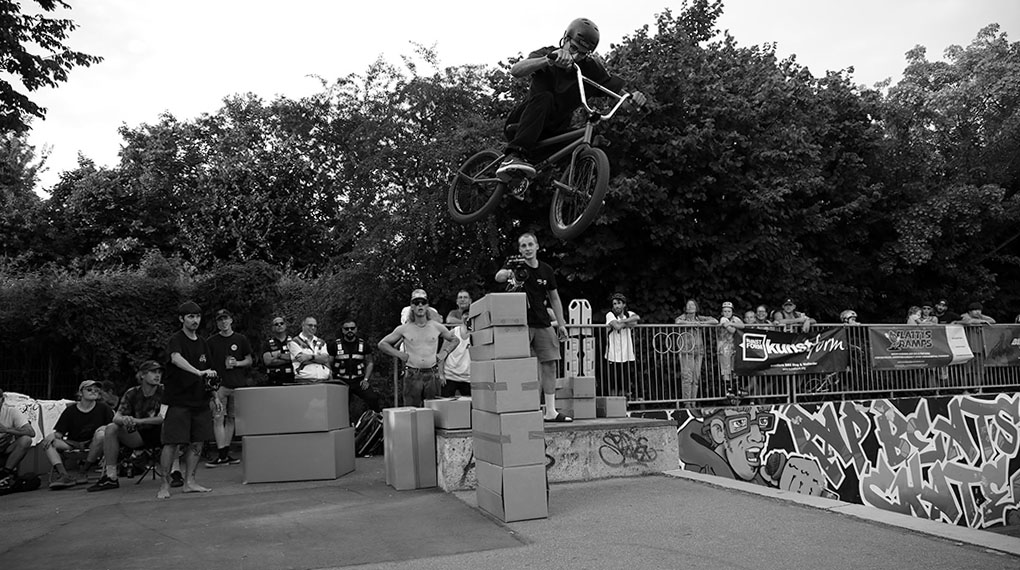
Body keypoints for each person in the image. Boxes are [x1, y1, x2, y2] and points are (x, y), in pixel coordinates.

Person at [495, 18, 646, 179]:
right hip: (521, 125)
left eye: (582, 53)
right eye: (573, 48)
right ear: (566, 39)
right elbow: (516, 70)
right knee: (545, 98)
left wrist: (632, 99)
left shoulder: (590, 69)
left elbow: (618, 95)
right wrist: (548, 60)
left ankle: (574, 189)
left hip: (553, 133)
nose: (575, 56)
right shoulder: (549, 53)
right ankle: (512, 156)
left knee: (588, 139)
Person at [495, 233, 572, 422]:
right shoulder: (515, 266)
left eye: (530, 244)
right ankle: (522, 409)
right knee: (518, 366)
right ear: (519, 249)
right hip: (519, 324)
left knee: (550, 364)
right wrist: (508, 274)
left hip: (543, 322)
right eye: (523, 246)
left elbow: (554, 298)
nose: (527, 248)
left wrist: (561, 324)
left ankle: (551, 411)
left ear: (537, 246)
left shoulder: (546, 270)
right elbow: (498, 277)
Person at [88, 360, 182, 492]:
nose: (157, 375)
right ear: (142, 375)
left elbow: (162, 418)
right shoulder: (132, 392)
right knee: (111, 428)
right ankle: (111, 476)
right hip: (139, 435)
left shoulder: (165, 391)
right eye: (153, 372)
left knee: (173, 426)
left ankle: (175, 472)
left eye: (159, 372)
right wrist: (125, 419)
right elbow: (116, 417)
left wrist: (138, 421)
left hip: (162, 431)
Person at [158, 300, 219, 500]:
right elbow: (176, 359)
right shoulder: (176, 340)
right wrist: (197, 372)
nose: (195, 320)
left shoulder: (202, 342)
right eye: (190, 316)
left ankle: (189, 482)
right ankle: (164, 484)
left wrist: (215, 395)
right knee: (172, 443)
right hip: (178, 401)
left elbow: (210, 372)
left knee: (197, 443)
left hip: (200, 401)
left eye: (197, 316)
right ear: (181, 319)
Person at [379, 290, 460, 407]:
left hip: (432, 374)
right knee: (412, 412)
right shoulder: (404, 329)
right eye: (416, 303)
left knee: (434, 413)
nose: (420, 305)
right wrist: (398, 354)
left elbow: (455, 340)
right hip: (412, 375)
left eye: (423, 302)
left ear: (427, 306)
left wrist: (444, 353)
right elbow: (382, 344)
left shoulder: (436, 326)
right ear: (412, 306)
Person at [42, 380, 114, 489]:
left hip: (93, 442)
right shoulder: (70, 411)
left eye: (97, 390)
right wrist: (53, 435)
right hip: (73, 442)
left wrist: (105, 427)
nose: (93, 392)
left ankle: (84, 470)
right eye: (89, 390)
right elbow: (60, 432)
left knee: (101, 435)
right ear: (80, 393)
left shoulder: (104, 408)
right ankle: (64, 475)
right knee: (49, 442)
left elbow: (113, 427)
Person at [205, 309, 253, 467]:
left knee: (232, 419)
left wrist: (237, 363)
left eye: (225, 319)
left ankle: (225, 453)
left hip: (237, 385)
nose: (223, 322)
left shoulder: (240, 339)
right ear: (217, 323)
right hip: (220, 386)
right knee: (218, 418)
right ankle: (221, 453)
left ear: (231, 320)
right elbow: (208, 367)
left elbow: (249, 359)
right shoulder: (211, 342)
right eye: (220, 320)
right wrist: (212, 388)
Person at [327, 319, 383, 413]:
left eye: (352, 328)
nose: (350, 331)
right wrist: (331, 377)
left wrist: (366, 380)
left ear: (356, 329)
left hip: (358, 381)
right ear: (343, 330)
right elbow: (328, 362)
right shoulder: (335, 345)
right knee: (340, 405)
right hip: (341, 381)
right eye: (347, 328)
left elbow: (370, 363)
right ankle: (343, 424)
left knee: (372, 398)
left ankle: (376, 421)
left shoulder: (363, 345)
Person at [674, 300, 718, 405]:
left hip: (699, 351)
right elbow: (678, 322)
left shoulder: (700, 318)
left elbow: (715, 321)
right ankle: (687, 403)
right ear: (685, 308)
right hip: (686, 350)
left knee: (696, 377)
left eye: (693, 304)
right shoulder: (682, 317)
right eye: (688, 305)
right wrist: (693, 324)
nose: (690, 306)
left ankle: (693, 402)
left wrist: (700, 323)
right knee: (687, 377)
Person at [0, 387, 36, 492]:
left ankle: (5, 473)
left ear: (2, 400)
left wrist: (7, 430)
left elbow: (31, 432)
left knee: (26, 440)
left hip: (5, 448)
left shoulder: (11, 411)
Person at [604, 293, 640, 398]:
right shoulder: (610, 314)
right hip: (613, 355)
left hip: (626, 355)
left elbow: (636, 319)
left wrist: (622, 321)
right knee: (613, 384)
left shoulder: (629, 314)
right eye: (614, 304)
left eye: (619, 303)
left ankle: (624, 405)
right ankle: (613, 405)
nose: (616, 306)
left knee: (625, 384)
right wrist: (627, 323)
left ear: (624, 305)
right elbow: (616, 326)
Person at [288, 317, 332, 382]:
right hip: (305, 380)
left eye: (315, 326)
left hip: (323, 380)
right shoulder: (294, 342)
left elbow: (325, 359)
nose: (313, 328)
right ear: (303, 325)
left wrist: (309, 357)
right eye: (310, 325)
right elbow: (302, 359)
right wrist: (320, 359)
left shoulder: (321, 342)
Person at [717, 301, 745, 399]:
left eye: (729, 311)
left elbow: (743, 326)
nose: (727, 313)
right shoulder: (723, 319)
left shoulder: (734, 318)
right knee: (726, 368)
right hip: (723, 346)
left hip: (733, 346)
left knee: (734, 367)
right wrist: (732, 324)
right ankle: (728, 388)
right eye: (725, 311)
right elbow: (732, 330)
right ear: (722, 312)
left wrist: (731, 323)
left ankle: (736, 387)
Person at [440, 317, 472, 397]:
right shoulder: (453, 332)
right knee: (447, 405)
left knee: (469, 406)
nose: (467, 317)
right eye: (465, 315)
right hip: (450, 376)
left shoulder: (477, 334)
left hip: (468, 378)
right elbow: (441, 354)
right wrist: (441, 374)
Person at [262, 316, 294, 386]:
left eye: (281, 323)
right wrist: (288, 359)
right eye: (276, 324)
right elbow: (268, 361)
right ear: (273, 328)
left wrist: (278, 355)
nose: (279, 325)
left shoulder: (294, 341)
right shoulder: (267, 343)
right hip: (274, 379)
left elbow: (296, 358)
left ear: (285, 326)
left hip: (291, 378)